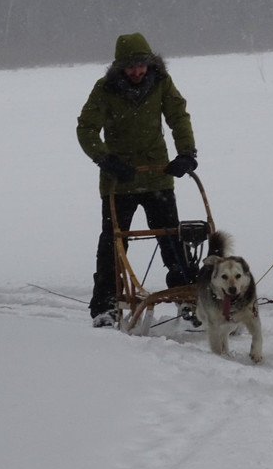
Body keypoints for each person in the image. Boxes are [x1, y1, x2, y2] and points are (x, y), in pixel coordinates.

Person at [76, 32, 199, 327]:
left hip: (158, 177)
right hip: (119, 181)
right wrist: (106, 159)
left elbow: (178, 116)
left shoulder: (161, 82)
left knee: (172, 239)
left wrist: (186, 153)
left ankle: (188, 300)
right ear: (119, 67)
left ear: (150, 63)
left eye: (141, 65)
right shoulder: (104, 89)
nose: (137, 72)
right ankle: (105, 305)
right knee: (113, 245)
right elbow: (86, 129)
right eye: (130, 67)